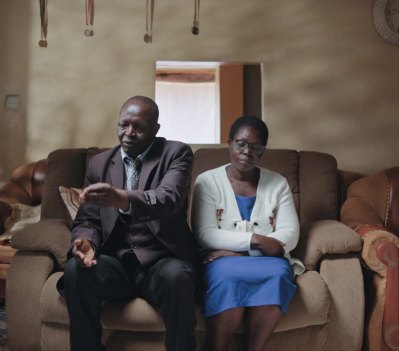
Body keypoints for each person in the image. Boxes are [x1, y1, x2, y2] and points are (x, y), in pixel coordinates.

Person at [57, 96, 200, 351]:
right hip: (116, 264)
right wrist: (86, 242)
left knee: (177, 276)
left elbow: (170, 198)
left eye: (139, 127)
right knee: (75, 270)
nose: (129, 133)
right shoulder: (99, 163)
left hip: (161, 261)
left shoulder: (175, 153)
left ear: (155, 130)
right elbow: (88, 218)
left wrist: (122, 198)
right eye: (124, 125)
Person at [191, 115, 305, 351]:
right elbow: (205, 234)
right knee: (228, 277)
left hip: (265, 263)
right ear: (230, 142)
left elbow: (289, 234)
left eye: (256, 147)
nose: (247, 152)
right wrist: (257, 241)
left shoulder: (278, 184)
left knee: (277, 275)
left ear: (263, 151)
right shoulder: (207, 181)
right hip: (223, 264)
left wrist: (240, 253)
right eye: (241, 144)